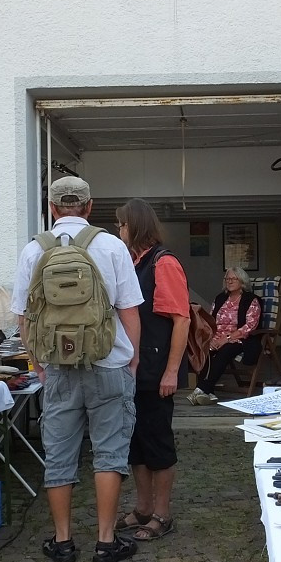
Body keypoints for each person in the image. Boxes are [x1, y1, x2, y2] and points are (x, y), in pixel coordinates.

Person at [11, 175, 143, 562]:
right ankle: (105, 541)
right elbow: (130, 310)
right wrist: (131, 360)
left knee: (60, 454)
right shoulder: (111, 245)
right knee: (108, 453)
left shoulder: (34, 250)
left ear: (52, 209)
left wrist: (39, 365)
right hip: (108, 364)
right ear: (89, 207)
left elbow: (23, 317)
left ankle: (63, 540)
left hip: (59, 369)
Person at [113, 198, 190, 542]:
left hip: (157, 368)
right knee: (136, 443)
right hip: (133, 369)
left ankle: (163, 513)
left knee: (157, 442)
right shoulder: (133, 263)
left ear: (137, 226)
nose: (119, 230)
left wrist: (171, 372)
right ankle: (143, 508)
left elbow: (181, 319)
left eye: (123, 224)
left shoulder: (163, 263)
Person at [187, 266, 262, 405]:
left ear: (242, 282)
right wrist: (210, 338)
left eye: (233, 278)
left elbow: (250, 326)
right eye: (227, 278)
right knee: (204, 351)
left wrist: (226, 339)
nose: (229, 281)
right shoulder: (220, 298)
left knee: (224, 350)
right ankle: (209, 393)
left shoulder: (251, 300)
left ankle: (201, 389)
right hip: (217, 337)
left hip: (239, 340)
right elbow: (211, 320)